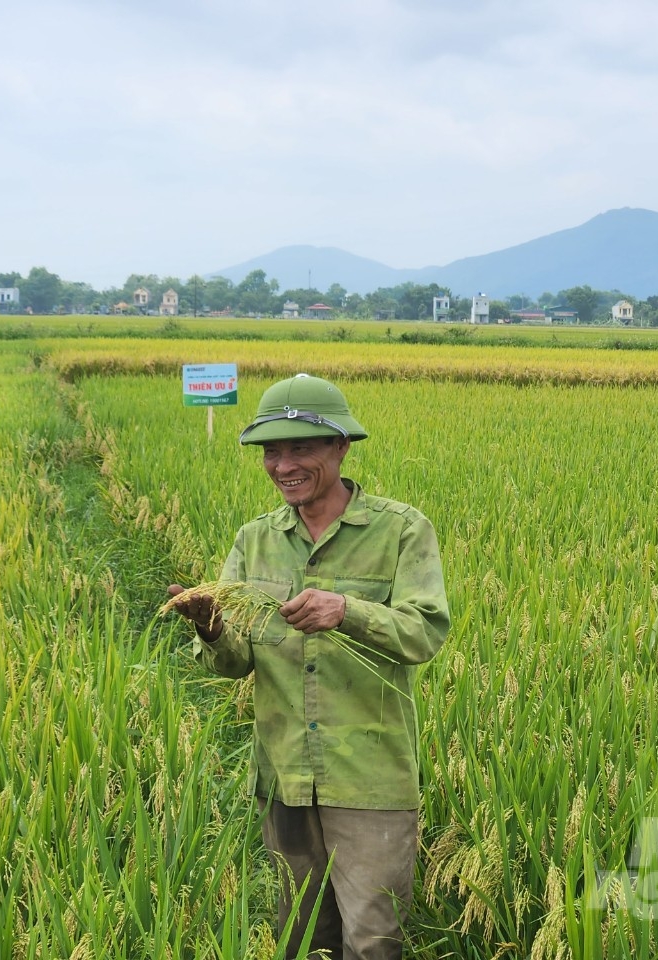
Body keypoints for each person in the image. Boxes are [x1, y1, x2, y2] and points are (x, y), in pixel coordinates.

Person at [168, 373, 450, 960]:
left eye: (301, 448)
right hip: (285, 776)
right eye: (273, 451)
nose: (283, 465)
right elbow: (235, 664)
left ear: (341, 447)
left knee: (373, 938)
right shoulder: (255, 540)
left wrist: (346, 611)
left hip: (370, 777)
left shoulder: (401, 530)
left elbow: (424, 633)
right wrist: (210, 623)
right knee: (303, 936)